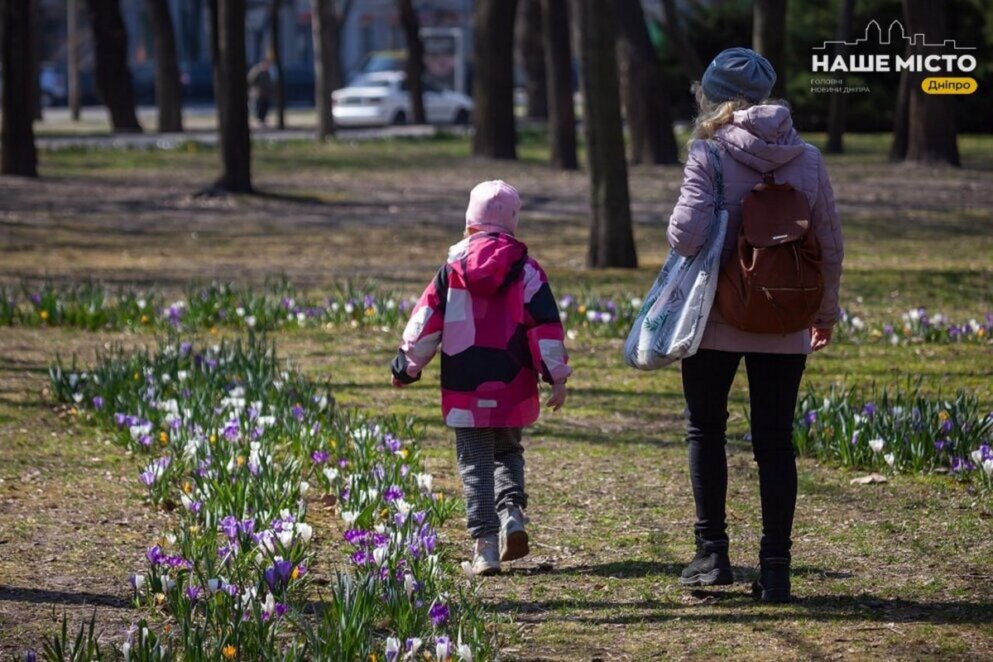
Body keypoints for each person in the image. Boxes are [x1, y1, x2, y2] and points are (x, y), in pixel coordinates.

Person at [666, 48, 843, 602]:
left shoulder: (708, 153)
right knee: (774, 441)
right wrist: (825, 311)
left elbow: (685, 236)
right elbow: (830, 243)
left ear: (713, 98)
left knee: (706, 428)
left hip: (717, 315)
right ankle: (776, 569)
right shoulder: (807, 158)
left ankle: (712, 555)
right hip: (786, 317)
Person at [391, 180, 571, 576]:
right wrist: (555, 374)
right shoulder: (528, 271)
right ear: (512, 225)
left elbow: (425, 324)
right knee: (507, 451)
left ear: (469, 224)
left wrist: (407, 366)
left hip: (465, 381)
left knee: (474, 463)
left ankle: (485, 547)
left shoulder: (451, 270)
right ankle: (512, 516)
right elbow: (545, 326)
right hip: (512, 382)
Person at [247, 59, 273, 126]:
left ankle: (263, 118)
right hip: (258, 92)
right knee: (259, 106)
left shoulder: (267, 72)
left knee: (265, 106)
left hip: (266, 93)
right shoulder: (257, 71)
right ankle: (259, 118)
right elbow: (251, 80)